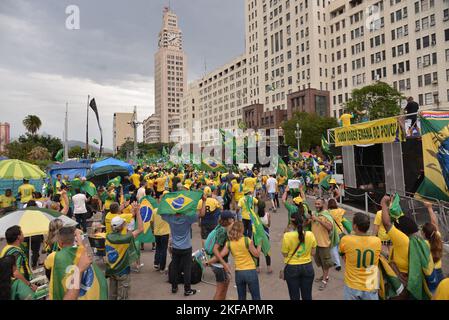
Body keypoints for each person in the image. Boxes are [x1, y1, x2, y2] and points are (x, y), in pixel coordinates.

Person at [162, 194, 207, 296]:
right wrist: (204, 201)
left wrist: (164, 202)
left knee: (175, 267)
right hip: (186, 247)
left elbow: (161, 213)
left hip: (175, 248)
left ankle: (174, 287)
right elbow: (202, 214)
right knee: (187, 269)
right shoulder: (187, 218)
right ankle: (187, 290)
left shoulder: (171, 218)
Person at [105, 202, 143, 300]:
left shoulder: (107, 237)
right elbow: (141, 229)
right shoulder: (126, 238)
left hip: (112, 270)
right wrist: (138, 212)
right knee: (123, 296)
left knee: (112, 296)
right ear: (122, 226)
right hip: (123, 271)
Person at [339, 213, 381, 300]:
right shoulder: (377, 241)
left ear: (354, 226)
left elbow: (343, 255)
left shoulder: (346, 240)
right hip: (371, 283)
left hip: (352, 284)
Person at [218, 221, 262, 300]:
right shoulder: (246, 240)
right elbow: (256, 254)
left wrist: (224, 263)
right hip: (250, 270)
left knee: (241, 298)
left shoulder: (229, 243)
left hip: (239, 273)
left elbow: (220, 255)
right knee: (256, 297)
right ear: (241, 230)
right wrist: (259, 245)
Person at [281, 212, 316, 300]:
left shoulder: (287, 236)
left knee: (294, 296)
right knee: (307, 296)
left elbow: (285, 254)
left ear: (292, 223)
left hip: (291, 268)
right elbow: (313, 253)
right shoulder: (310, 234)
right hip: (307, 266)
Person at [205, 211, 236, 300]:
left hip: (219, 263)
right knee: (220, 290)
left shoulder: (222, 228)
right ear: (228, 220)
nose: (233, 219)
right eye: (231, 218)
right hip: (219, 265)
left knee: (225, 286)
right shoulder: (222, 231)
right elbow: (215, 249)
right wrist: (224, 264)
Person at [306, 198, 334, 291]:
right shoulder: (314, 213)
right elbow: (308, 223)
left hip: (324, 243)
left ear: (323, 204)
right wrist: (309, 218)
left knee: (325, 263)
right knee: (320, 262)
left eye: (318, 204)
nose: (316, 205)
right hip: (315, 243)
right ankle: (324, 276)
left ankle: (324, 281)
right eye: (315, 204)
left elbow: (330, 227)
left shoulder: (326, 215)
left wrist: (317, 219)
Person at [0, 226, 36, 291]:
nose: (23, 234)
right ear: (18, 237)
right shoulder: (16, 252)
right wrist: (29, 285)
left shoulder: (5, 249)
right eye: (22, 233)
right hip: (18, 287)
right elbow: (15, 273)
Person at [422, 202, 444, 288]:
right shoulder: (437, 236)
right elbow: (434, 224)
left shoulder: (424, 244)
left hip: (430, 272)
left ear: (424, 234)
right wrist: (429, 208)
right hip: (439, 271)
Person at [150, 205, 171, 272]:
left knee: (158, 248)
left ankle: (156, 263)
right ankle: (162, 267)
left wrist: (152, 229)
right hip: (165, 233)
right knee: (164, 250)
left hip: (157, 233)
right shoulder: (168, 211)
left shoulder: (155, 210)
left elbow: (151, 222)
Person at [256, 192, 272, 274]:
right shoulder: (268, 215)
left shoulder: (255, 216)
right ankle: (269, 268)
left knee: (257, 252)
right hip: (266, 235)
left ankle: (257, 268)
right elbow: (269, 225)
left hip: (257, 236)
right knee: (267, 251)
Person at [328, 198, 346, 271]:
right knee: (340, 247)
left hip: (333, 232)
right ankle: (342, 261)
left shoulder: (328, 212)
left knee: (333, 248)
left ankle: (337, 263)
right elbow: (344, 213)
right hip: (341, 231)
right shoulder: (340, 210)